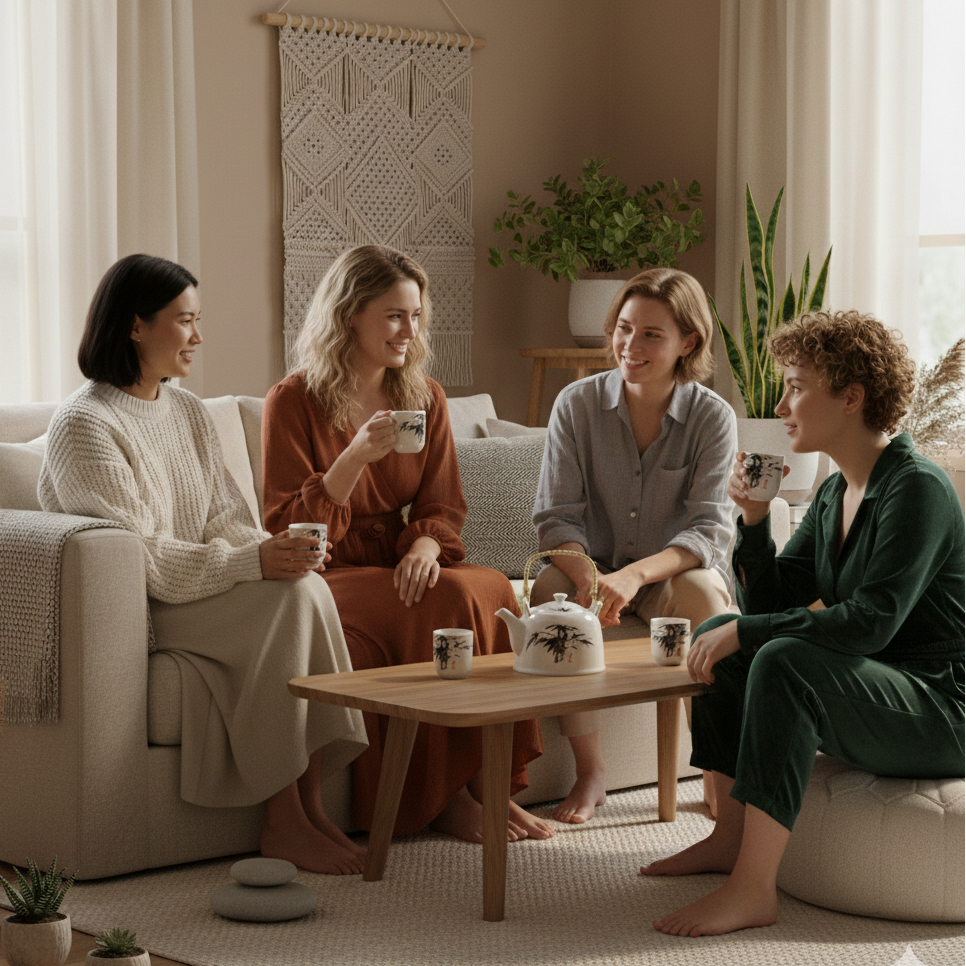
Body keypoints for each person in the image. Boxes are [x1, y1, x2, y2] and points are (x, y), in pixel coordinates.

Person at [39, 254, 370, 876]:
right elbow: (141, 561)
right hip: (149, 608)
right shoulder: (86, 425)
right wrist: (251, 561)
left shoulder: (186, 410)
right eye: (185, 321)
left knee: (305, 588)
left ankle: (309, 807)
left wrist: (275, 554)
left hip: (203, 588)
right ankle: (284, 820)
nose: (198, 336)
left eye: (199, 319)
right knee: (291, 599)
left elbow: (223, 513)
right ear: (136, 327)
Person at [645, 309, 965, 936]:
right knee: (733, 640)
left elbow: (870, 622)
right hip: (881, 689)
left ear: (851, 397)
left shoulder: (918, 489)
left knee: (780, 657)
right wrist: (756, 521)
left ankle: (752, 888)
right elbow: (769, 605)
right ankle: (727, 836)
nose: (782, 402)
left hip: (943, 705)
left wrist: (751, 630)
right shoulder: (832, 492)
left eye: (796, 385)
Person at [261, 244, 551, 844]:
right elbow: (287, 522)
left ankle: (478, 785)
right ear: (349, 315)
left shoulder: (425, 396)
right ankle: (444, 798)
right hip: (328, 571)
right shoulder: (293, 400)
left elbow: (443, 505)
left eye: (415, 316)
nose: (409, 330)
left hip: (401, 560)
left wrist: (424, 546)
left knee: (490, 586)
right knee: (442, 603)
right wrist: (355, 456)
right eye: (394, 315)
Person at [532, 267, 737, 823]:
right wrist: (589, 580)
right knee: (552, 593)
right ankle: (592, 771)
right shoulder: (575, 405)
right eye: (624, 328)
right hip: (590, 570)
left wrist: (635, 577)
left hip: (670, 575)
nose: (630, 344)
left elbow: (707, 531)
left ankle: (718, 773)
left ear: (687, 342)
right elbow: (555, 519)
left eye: (652, 333)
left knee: (703, 597)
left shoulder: (712, 418)